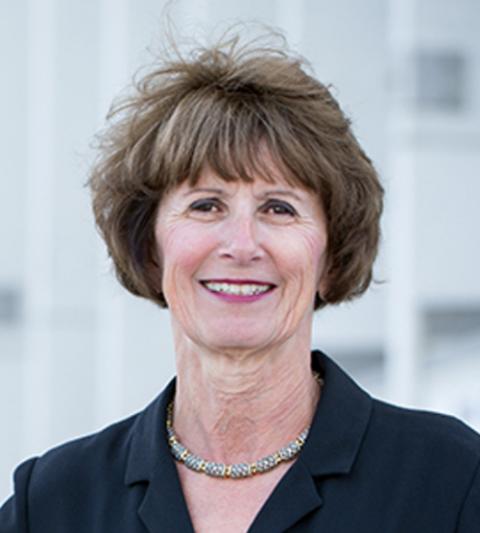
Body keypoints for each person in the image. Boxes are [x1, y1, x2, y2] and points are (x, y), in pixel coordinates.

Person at [1, 29, 479, 533]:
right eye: (206, 205)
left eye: (279, 208)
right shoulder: (53, 502)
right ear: (150, 249)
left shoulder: (450, 483)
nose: (242, 244)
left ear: (331, 258)